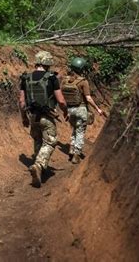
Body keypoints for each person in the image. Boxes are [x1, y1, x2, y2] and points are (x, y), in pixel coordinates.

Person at [19, 51, 69, 188]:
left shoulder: (25, 78)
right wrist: (65, 111)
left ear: (37, 62)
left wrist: (24, 118)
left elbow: (22, 102)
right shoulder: (52, 78)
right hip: (47, 117)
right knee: (50, 142)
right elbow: (61, 100)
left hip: (33, 116)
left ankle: (39, 167)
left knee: (38, 140)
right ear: (48, 63)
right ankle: (39, 165)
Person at [61, 57, 104, 164]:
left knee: (74, 129)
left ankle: (71, 148)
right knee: (80, 132)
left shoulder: (65, 80)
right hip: (81, 109)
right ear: (82, 69)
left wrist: (65, 110)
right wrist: (97, 109)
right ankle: (76, 154)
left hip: (70, 110)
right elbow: (88, 98)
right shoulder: (83, 82)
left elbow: (61, 96)